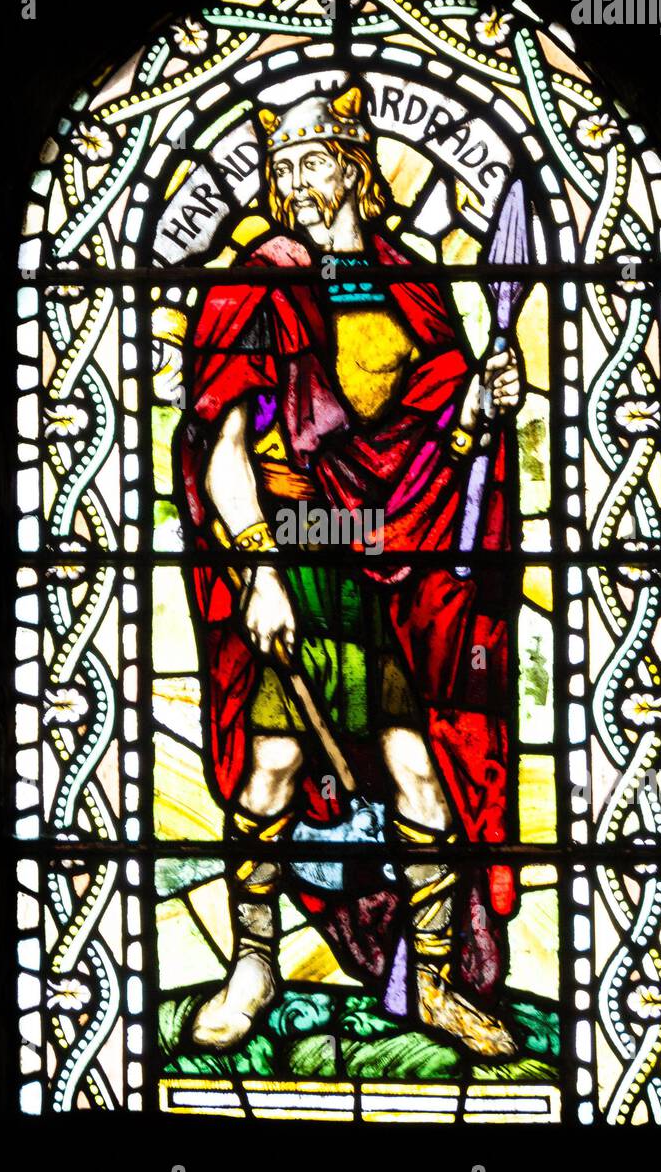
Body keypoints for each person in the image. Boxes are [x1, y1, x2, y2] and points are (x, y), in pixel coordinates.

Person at [177, 85, 524, 1058]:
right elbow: (225, 449)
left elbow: (437, 446)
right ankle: (253, 966)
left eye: (314, 160)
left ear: (354, 167)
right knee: (277, 763)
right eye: (283, 167)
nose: (297, 180)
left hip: (394, 576)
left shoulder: (408, 280)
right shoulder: (260, 283)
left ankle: (437, 982)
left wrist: (486, 403)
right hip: (297, 549)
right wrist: (259, 573)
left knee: (421, 773)